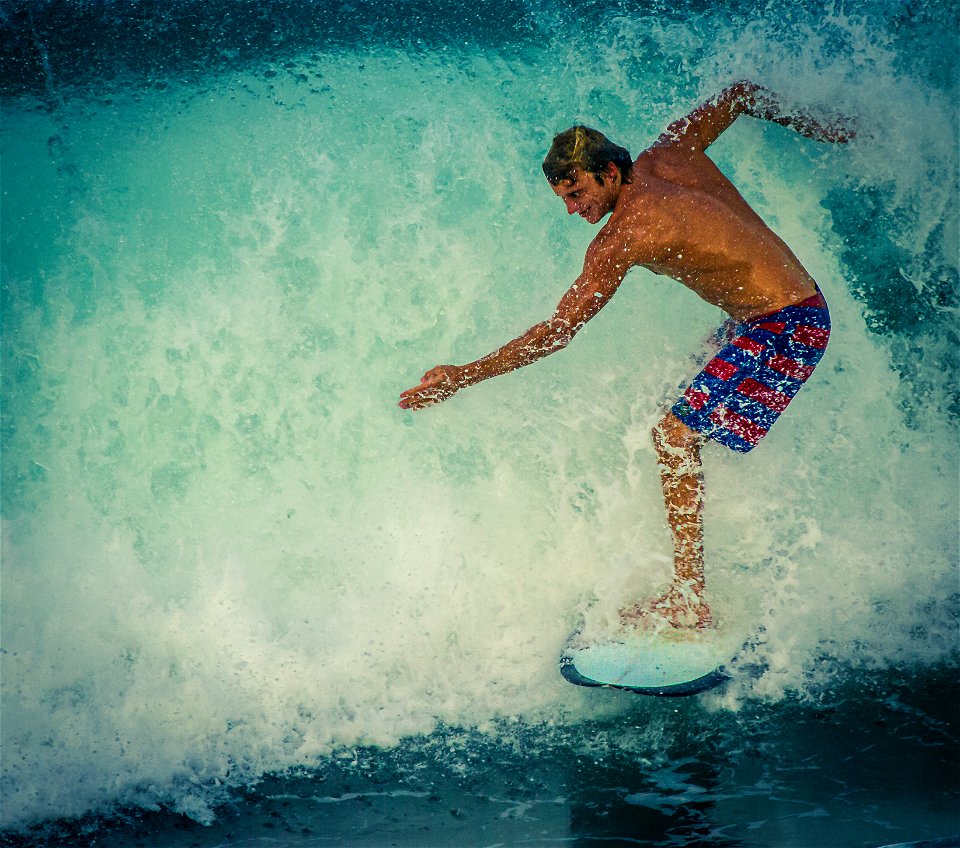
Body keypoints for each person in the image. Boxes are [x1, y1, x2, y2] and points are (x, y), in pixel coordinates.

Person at [398, 81, 852, 629]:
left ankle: (690, 599)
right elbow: (740, 94)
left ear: (609, 173)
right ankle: (735, 550)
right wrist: (827, 126)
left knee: (674, 434)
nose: (572, 210)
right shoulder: (673, 151)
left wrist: (462, 376)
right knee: (679, 410)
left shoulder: (624, 236)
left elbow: (557, 332)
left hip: (789, 327)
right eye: (564, 199)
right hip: (768, 317)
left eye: (577, 194)